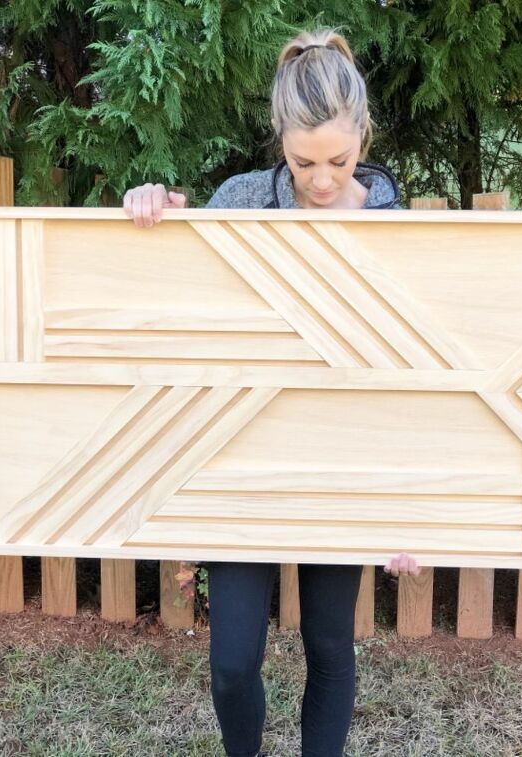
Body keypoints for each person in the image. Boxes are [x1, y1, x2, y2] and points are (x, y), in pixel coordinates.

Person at [123, 27, 422, 757]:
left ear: (365, 138)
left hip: (341, 467)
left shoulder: (395, 227)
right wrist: (151, 210)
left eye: (340, 161)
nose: (321, 181)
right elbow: (175, 308)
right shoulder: (241, 200)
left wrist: (407, 508)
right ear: (278, 139)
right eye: (303, 161)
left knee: (329, 645)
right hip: (244, 465)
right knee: (230, 663)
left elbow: (413, 382)